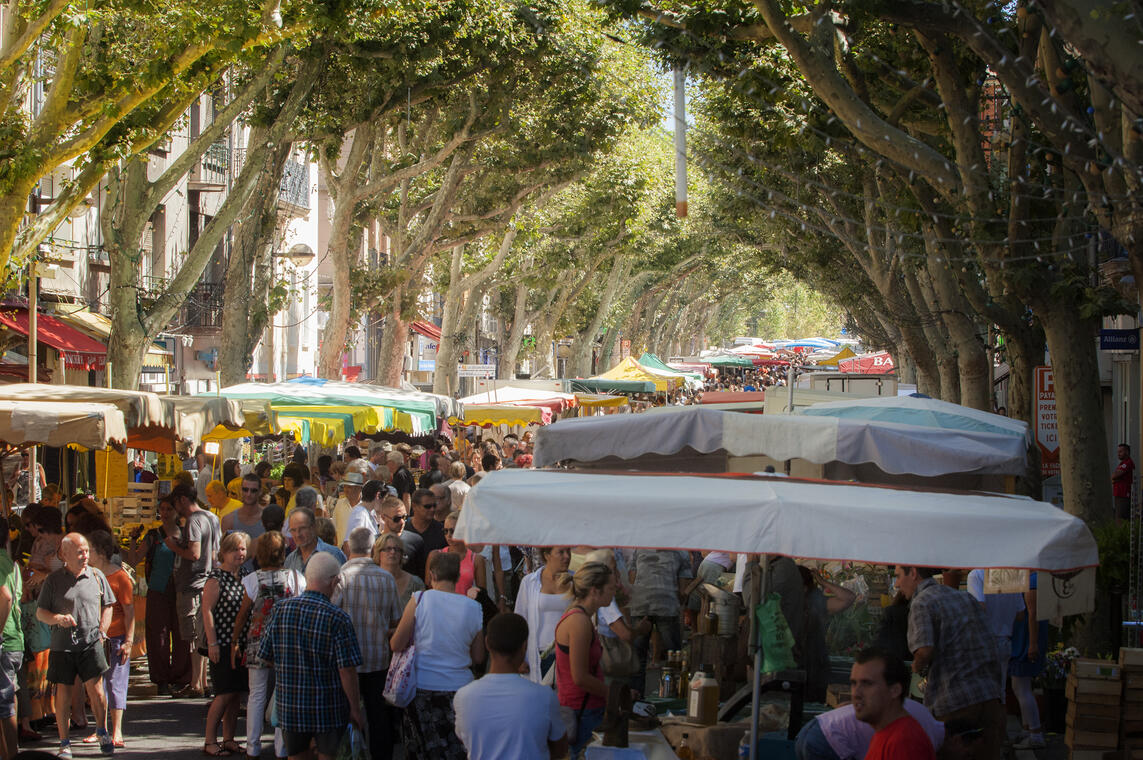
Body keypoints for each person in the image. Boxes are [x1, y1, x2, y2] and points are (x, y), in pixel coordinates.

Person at [258, 553, 364, 760]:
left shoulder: (281, 610)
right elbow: (347, 670)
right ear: (335, 581)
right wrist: (354, 708)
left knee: (296, 756)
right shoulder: (338, 618)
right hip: (328, 707)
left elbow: (266, 656)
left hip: (291, 705)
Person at [896, 565, 1003, 760]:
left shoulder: (922, 602)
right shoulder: (964, 597)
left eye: (897, 576)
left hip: (955, 702)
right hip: (989, 695)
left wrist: (914, 668)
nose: (896, 584)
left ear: (912, 573)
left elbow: (925, 650)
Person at [390, 551, 483, 760]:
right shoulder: (474, 608)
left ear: (432, 574)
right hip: (461, 687)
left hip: (423, 686)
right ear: (458, 576)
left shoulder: (419, 599)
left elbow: (396, 643)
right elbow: (478, 657)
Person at [36, 533, 115, 758]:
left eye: (87, 551)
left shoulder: (97, 576)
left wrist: (102, 631)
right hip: (62, 645)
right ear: (65, 554)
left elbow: (108, 605)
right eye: (80, 552)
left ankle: (102, 731)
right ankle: (64, 742)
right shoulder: (53, 580)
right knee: (64, 693)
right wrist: (57, 619)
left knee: (97, 691)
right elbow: (41, 613)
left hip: (91, 643)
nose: (85, 556)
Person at [453, 613, 568, 760]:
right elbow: (560, 748)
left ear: (487, 643)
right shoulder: (544, 696)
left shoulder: (463, 696)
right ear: (524, 646)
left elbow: (464, 739)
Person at [232, 531, 303, 760]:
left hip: (257, 640)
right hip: (287, 641)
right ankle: (281, 748)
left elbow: (243, 615)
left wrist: (234, 640)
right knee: (284, 694)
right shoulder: (295, 577)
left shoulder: (252, 579)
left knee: (257, 695)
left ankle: (252, 747)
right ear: (283, 552)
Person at [333, 528, 403, 760]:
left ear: (348, 548)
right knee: (378, 717)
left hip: (346, 662)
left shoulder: (341, 576)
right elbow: (395, 618)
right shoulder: (386, 578)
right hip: (378, 659)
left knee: (346, 714)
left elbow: (332, 615)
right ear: (373, 549)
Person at [554, 562, 615, 757]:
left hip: (582, 708)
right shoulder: (579, 622)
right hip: (582, 710)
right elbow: (579, 676)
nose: (616, 591)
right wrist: (612, 694)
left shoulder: (580, 617)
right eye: (611, 588)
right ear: (595, 591)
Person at [167, 483, 221, 698]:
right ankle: (201, 681)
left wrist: (173, 546)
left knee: (192, 635)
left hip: (193, 582)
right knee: (204, 631)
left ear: (182, 499)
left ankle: (196, 683)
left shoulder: (193, 521)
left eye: (175, 503)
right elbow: (215, 552)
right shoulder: (212, 517)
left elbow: (194, 553)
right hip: (209, 581)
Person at [201, 532, 249, 757]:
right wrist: (213, 642)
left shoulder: (246, 575)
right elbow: (207, 611)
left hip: (241, 644)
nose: (240, 553)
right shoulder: (216, 578)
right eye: (235, 549)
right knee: (223, 693)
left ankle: (229, 738)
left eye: (243, 549)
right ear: (224, 552)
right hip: (222, 642)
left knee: (236, 694)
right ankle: (210, 739)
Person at [86, 532, 132, 750]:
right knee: (97, 686)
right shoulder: (88, 575)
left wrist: (129, 641)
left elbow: (130, 611)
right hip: (94, 638)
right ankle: (100, 729)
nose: (86, 555)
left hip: (117, 637)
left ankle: (117, 730)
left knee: (115, 684)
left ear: (101, 552)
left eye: (90, 550)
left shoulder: (119, 576)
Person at [850, 648, 936, 760]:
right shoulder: (885, 734)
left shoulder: (904, 743)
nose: (856, 693)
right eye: (853, 683)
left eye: (867, 683)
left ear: (894, 690)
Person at [794, 696, 943, 759]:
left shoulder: (922, 714)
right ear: (958, 740)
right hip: (829, 742)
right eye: (967, 755)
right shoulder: (927, 738)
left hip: (813, 728)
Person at [799, 566, 857, 702]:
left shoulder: (815, 603)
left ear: (805, 587)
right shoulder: (784, 602)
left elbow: (848, 598)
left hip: (814, 665)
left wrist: (822, 581)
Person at [516, 547, 572, 685]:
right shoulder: (530, 582)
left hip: (569, 654)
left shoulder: (575, 582)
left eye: (568, 551)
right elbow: (520, 621)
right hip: (538, 655)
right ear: (547, 555)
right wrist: (518, 658)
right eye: (561, 552)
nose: (567, 556)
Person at [0, 516, 23, 760]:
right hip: (13, 639)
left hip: (5, 641)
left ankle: (10, 755)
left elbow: (6, 597)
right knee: (8, 697)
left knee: (4, 702)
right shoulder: (10, 562)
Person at [425, 512, 486, 598]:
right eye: (445, 531)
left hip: (464, 608)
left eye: (453, 531)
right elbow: (428, 588)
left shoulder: (476, 559)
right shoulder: (434, 555)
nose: (448, 535)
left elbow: (481, 593)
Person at [283, 508, 346, 574]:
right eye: (293, 530)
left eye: (302, 528)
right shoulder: (290, 560)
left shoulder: (334, 554)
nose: (297, 534)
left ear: (312, 528)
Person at [377, 497, 424, 581]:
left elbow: (421, 573)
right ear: (383, 517)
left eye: (405, 517)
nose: (402, 522)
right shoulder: (374, 543)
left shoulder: (416, 541)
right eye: (397, 519)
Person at [373, 533, 424, 609]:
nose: (393, 552)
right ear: (378, 553)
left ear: (401, 554)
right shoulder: (370, 581)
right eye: (388, 549)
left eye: (397, 549)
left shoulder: (416, 584)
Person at [404, 490, 447, 578]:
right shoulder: (403, 528)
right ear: (414, 506)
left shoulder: (442, 531)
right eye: (427, 506)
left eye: (434, 506)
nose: (432, 509)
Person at [221, 473, 266, 542]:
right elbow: (225, 550)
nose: (249, 494)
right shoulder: (229, 520)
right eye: (245, 489)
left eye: (253, 490)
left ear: (260, 491)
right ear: (241, 490)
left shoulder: (268, 518)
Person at [343, 480, 383, 550]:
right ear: (378, 495)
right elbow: (348, 545)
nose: (385, 503)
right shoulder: (359, 514)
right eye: (385, 499)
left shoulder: (368, 513)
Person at [330, 472, 365, 546]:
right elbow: (334, 530)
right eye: (344, 486)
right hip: (342, 551)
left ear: (359, 488)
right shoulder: (339, 504)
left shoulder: (366, 506)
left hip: (360, 552)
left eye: (349, 487)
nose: (346, 490)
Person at [1114, 442, 1134, 520]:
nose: (1118, 454)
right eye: (1118, 452)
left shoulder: (1127, 463)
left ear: (1127, 452)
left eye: (1120, 452)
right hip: (1119, 494)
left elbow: (1114, 476)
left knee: (1120, 518)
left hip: (1123, 495)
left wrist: (1115, 477)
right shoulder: (1122, 464)